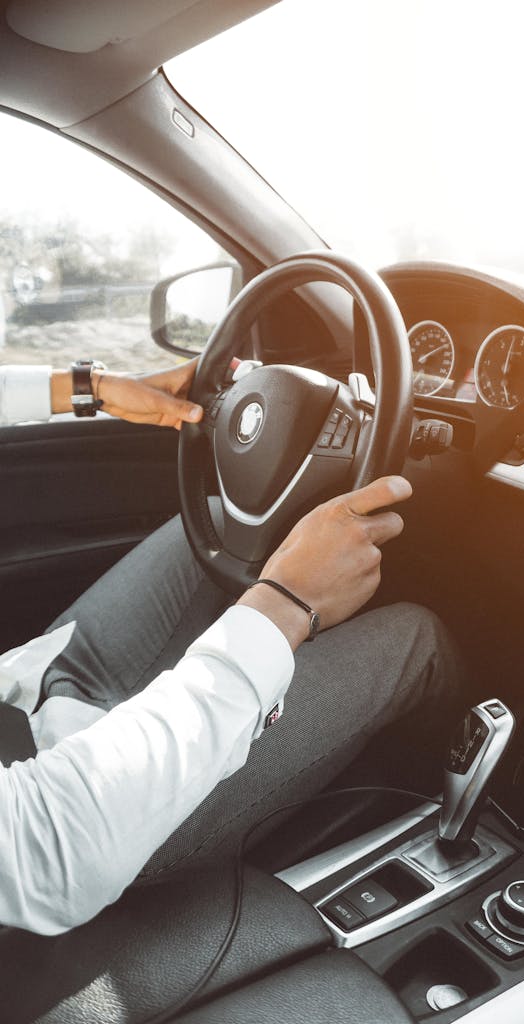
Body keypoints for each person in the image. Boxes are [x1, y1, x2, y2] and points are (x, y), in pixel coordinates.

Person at [0, 360, 459, 936]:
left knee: (221, 526)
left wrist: (84, 388)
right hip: (93, 822)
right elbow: (47, 852)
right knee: (417, 637)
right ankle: (480, 803)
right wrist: (285, 602)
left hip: (23, 695)